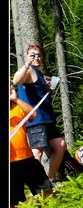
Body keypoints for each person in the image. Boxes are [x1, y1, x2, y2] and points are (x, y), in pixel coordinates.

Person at [12, 44, 67, 184]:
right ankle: (36, 185)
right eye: (32, 55)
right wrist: (26, 64)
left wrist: (47, 89)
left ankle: (50, 179)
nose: (36, 58)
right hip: (36, 120)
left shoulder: (38, 74)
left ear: (41, 57)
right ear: (27, 57)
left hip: (47, 119)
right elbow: (16, 80)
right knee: (37, 152)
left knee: (60, 145)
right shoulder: (29, 70)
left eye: (38, 55)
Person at [10, 85, 53, 208]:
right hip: (10, 165)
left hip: (28, 160)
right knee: (12, 204)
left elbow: (33, 115)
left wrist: (16, 99)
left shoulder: (17, 109)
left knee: (46, 191)